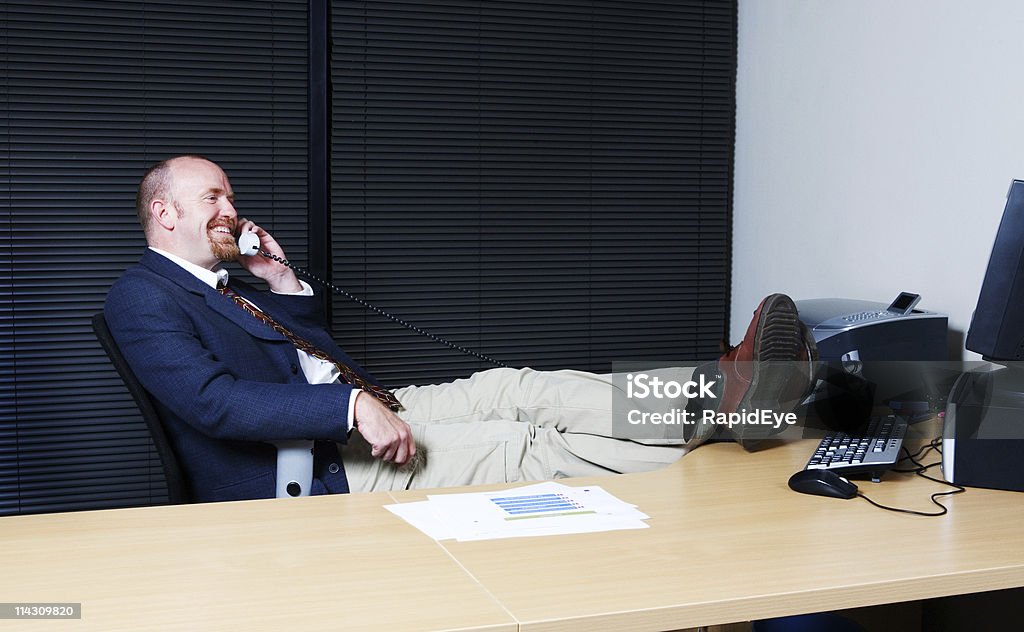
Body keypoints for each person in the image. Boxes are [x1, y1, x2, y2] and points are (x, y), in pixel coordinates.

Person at [105, 155, 817, 502]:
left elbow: (304, 360)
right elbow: (215, 402)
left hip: (366, 410)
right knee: (529, 442)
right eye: (213, 197)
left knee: (519, 386)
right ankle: (716, 453)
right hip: (319, 464)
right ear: (166, 214)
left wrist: (283, 281)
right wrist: (350, 406)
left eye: (229, 194)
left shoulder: (226, 285)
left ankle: (716, 400)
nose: (231, 207)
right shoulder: (144, 297)